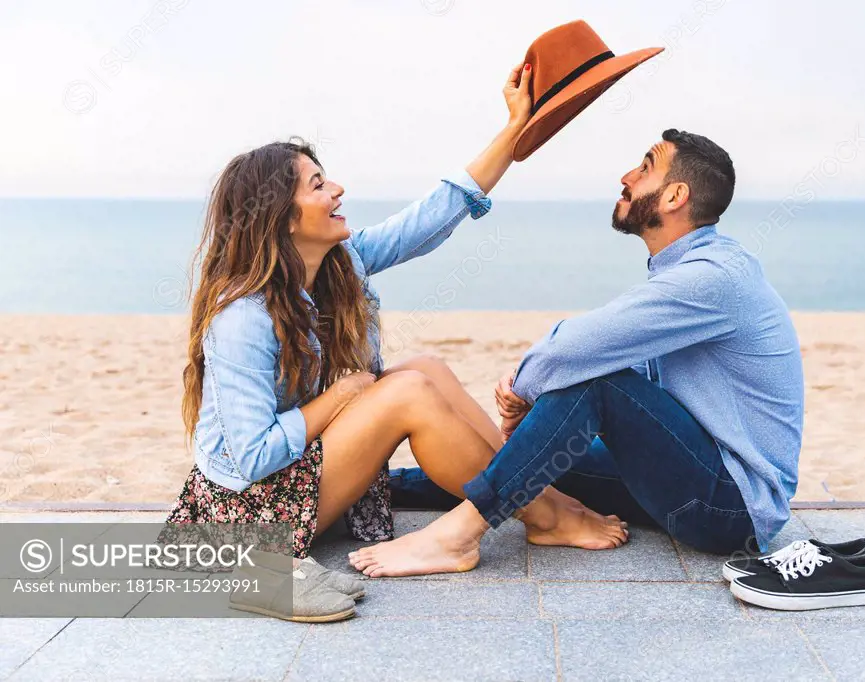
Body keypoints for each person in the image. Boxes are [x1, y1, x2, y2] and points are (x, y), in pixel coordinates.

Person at [164, 62, 627, 620]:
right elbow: (253, 457)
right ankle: (544, 514)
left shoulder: (339, 265)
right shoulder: (244, 317)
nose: (337, 189)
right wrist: (340, 397)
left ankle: (544, 503)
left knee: (425, 369)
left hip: (300, 482)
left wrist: (513, 130)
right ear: (281, 218)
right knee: (408, 394)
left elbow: (431, 217)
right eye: (318, 185)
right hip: (247, 514)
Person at [350, 129, 805, 578]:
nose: (626, 177)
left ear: (675, 196)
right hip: (693, 475)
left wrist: (526, 393)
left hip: (729, 507)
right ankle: (379, 492)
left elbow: (575, 348)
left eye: (645, 168)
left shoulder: (713, 277)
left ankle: (458, 536)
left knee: (595, 381)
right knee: (540, 462)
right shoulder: (690, 269)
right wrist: (534, 411)